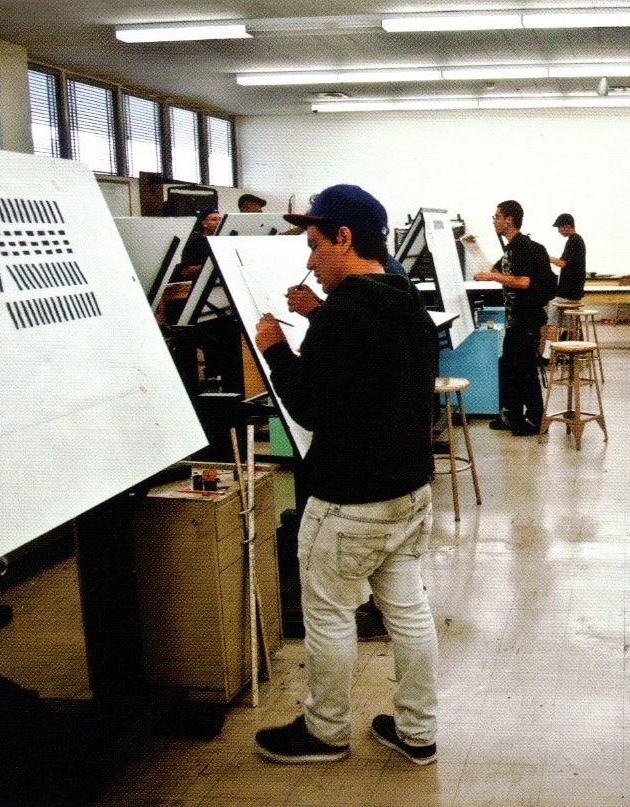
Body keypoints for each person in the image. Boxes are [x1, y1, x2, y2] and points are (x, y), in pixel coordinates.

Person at [252, 184, 441, 765]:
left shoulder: (341, 320)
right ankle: (417, 732)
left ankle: (326, 731)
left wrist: (275, 349)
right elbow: (373, 368)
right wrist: (322, 313)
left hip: (349, 501)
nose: (308, 261)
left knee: (330, 613)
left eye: (314, 245)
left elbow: (309, 409)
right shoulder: (407, 301)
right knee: (407, 610)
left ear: (343, 237)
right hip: (409, 492)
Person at [473, 200, 556, 436]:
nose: (494, 220)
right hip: (516, 319)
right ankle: (512, 415)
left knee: (525, 370)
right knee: (508, 366)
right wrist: (474, 249)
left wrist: (491, 278)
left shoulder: (522, 247)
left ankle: (536, 421)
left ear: (509, 219)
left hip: (526, 319)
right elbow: (496, 272)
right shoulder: (511, 248)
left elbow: (523, 281)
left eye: (497, 216)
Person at [545, 212, 586, 336]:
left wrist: (544, 256)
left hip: (570, 293)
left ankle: (547, 350)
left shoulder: (574, 241)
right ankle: (568, 339)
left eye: (559, 227)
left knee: (551, 312)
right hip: (572, 291)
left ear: (567, 226)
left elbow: (562, 263)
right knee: (566, 320)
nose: (558, 231)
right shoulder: (575, 240)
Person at [173, 206, 221, 281]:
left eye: (220, 219)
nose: (218, 223)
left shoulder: (220, 241)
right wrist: (210, 265)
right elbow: (186, 272)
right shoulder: (194, 242)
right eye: (214, 220)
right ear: (204, 223)